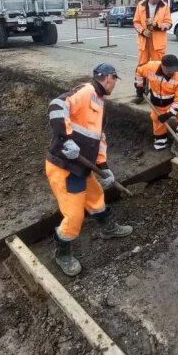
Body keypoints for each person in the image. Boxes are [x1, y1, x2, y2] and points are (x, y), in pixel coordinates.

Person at [46, 63, 132, 276]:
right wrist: (66, 139)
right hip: (64, 167)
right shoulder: (86, 91)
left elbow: (99, 140)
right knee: (74, 217)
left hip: (82, 167)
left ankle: (108, 228)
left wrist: (104, 167)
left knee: (96, 197)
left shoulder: (100, 104)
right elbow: (56, 104)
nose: (114, 85)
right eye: (115, 80)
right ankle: (62, 254)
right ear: (109, 78)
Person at [136, 54, 178, 150]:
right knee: (158, 126)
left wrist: (169, 114)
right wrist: (139, 86)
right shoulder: (151, 67)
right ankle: (161, 147)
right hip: (157, 105)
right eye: (169, 70)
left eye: (174, 69)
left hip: (173, 103)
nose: (172, 73)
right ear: (162, 66)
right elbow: (139, 71)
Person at [132, 0, 172, 103]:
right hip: (144, 42)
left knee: (158, 69)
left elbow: (169, 24)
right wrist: (143, 31)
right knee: (141, 68)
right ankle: (140, 93)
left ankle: (158, 94)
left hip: (158, 44)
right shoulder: (141, 5)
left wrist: (157, 25)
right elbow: (136, 22)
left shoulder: (165, 6)